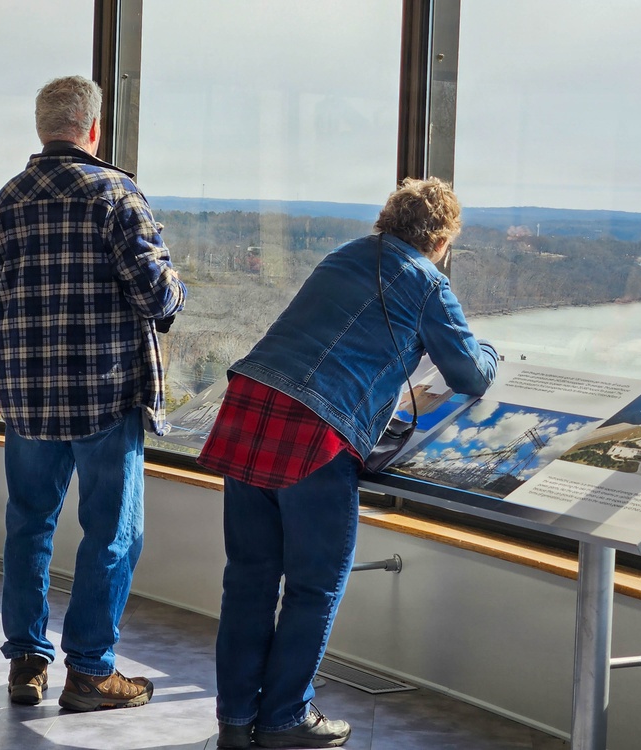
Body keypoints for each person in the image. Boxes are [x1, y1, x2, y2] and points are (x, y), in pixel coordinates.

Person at [198, 177, 499, 749]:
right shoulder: (428, 281)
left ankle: (236, 721)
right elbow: (468, 373)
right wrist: (493, 352)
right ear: (442, 240)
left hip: (250, 406)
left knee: (249, 580)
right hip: (315, 431)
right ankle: (284, 717)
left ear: (388, 219)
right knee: (315, 585)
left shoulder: (344, 255)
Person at [0, 75, 186, 709]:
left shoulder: (4, 202)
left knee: (28, 526)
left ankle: (25, 664)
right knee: (112, 534)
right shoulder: (117, 196)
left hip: (29, 399)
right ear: (92, 129)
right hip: (103, 394)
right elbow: (158, 297)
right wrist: (173, 281)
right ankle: (92, 671)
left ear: (44, 130)